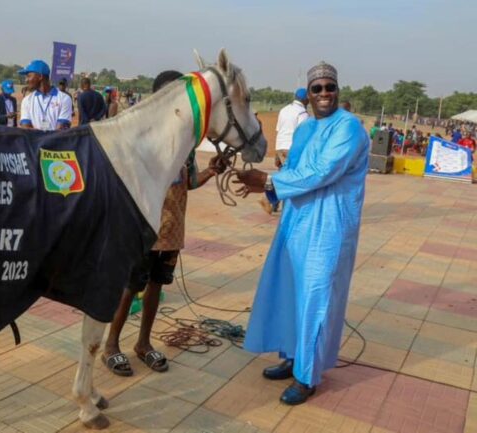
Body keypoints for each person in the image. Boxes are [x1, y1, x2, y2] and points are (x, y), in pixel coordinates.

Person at [235, 61, 369, 405]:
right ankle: (292, 356)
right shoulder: (306, 129)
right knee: (290, 292)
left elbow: (323, 172)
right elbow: (296, 170)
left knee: (316, 299)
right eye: (317, 88)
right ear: (307, 94)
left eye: (330, 87)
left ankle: (307, 376)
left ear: (338, 90)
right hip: (296, 222)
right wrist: (265, 187)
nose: (324, 93)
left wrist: (268, 181)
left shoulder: (349, 128)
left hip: (329, 228)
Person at [101, 70, 224, 377]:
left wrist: (210, 172)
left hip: (171, 231)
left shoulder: (187, 143)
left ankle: (143, 343)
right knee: (130, 287)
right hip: (142, 228)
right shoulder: (140, 139)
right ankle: (111, 346)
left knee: (155, 286)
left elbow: (188, 181)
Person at [262, 87, 309, 214]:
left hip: (280, 146)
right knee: (291, 177)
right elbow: (303, 135)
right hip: (292, 149)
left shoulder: (284, 110)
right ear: (305, 99)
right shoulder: (302, 113)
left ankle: (274, 203)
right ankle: (269, 198)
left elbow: (279, 130)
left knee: (284, 175)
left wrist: (277, 153)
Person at [18, 60, 72, 131]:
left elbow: (60, 130)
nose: (26, 80)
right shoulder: (27, 100)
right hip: (35, 142)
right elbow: (26, 128)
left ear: (40, 76)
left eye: (29, 76)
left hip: (56, 142)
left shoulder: (64, 99)